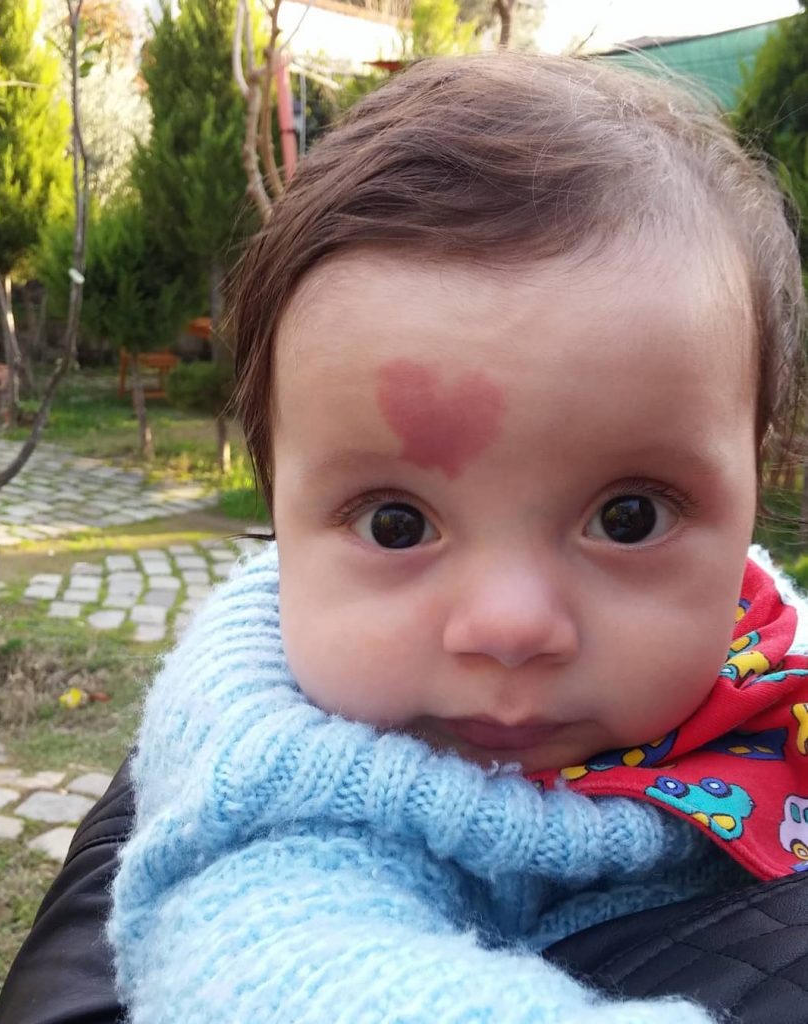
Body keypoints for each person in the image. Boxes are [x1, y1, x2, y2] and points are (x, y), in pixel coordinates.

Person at [107, 51, 805, 1022]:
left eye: (628, 516)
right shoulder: (293, 794)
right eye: (398, 523)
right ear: (278, 509)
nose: (509, 625)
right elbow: (277, 973)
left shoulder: (762, 635)